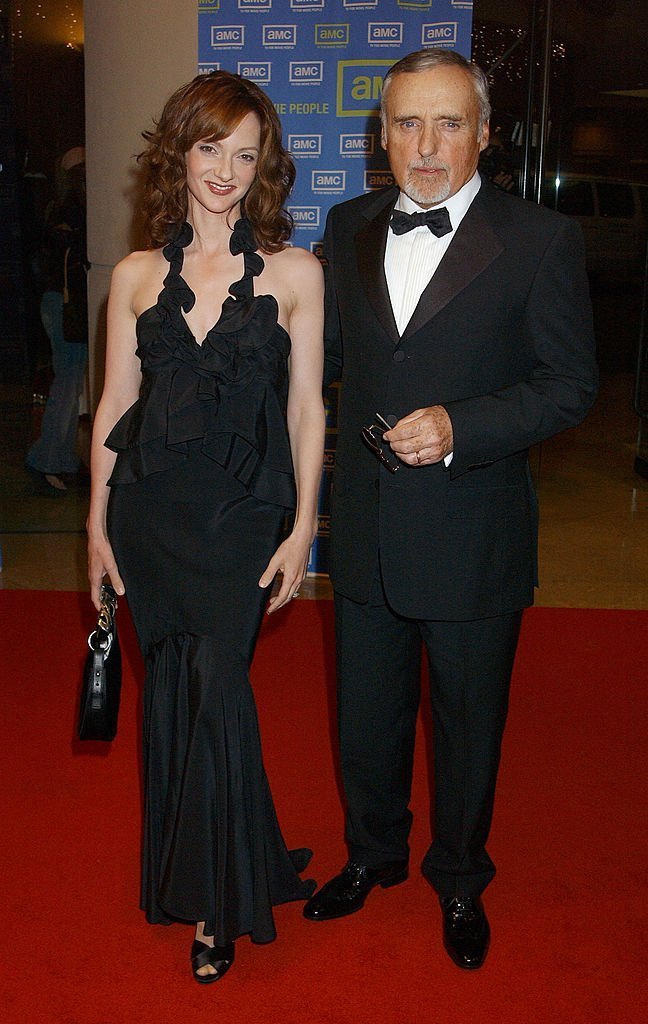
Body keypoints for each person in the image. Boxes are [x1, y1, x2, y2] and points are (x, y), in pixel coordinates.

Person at [303, 49, 598, 970]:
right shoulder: (347, 229)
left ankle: (462, 877)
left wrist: (463, 426)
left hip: (475, 535)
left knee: (469, 725)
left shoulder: (541, 239)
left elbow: (569, 385)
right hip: (363, 533)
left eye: (448, 124)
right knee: (365, 718)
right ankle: (371, 854)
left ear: (484, 133)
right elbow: (326, 369)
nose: (426, 147)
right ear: (379, 132)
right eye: (406, 124)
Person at [87, 71, 325, 983]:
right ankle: (220, 868)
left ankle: (214, 911)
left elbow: (306, 411)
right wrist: (97, 531)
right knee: (177, 698)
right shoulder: (137, 275)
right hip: (151, 518)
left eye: (245, 152)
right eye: (209, 146)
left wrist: (306, 525)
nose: (225, 168)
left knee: (221, 686)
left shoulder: (297, 274)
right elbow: (115, 402)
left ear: (263, 165)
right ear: (177, 149)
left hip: (242, 520)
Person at [26, 146, 88, 492]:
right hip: (67, 304)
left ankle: (57, 458)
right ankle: (49, 459)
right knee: (67, 384)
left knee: (67, 382)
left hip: (56, 302)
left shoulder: (56, 208)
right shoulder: (74, 210)